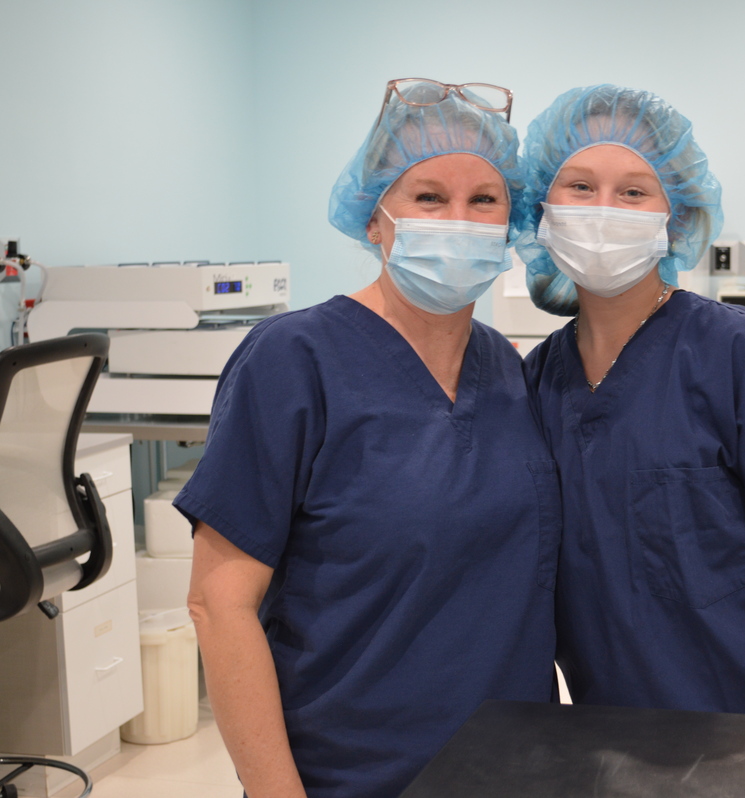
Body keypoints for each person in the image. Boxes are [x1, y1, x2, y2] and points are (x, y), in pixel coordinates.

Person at [177, 78, 560, 798]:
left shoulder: (509, 371)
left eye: (485, 201)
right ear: (375, 217)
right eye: (428, 197)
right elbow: (217, 604)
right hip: (349, 773)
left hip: (516, 766)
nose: (460, 220)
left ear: (513, 221)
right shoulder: (293, 361)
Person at [518, 84, 745, 721]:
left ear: (675, 218)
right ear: (542, 209)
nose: (604, 210)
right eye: (578, 186)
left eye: (633, 191)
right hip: (623, 739)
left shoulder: (738, 352)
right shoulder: (540, 380)